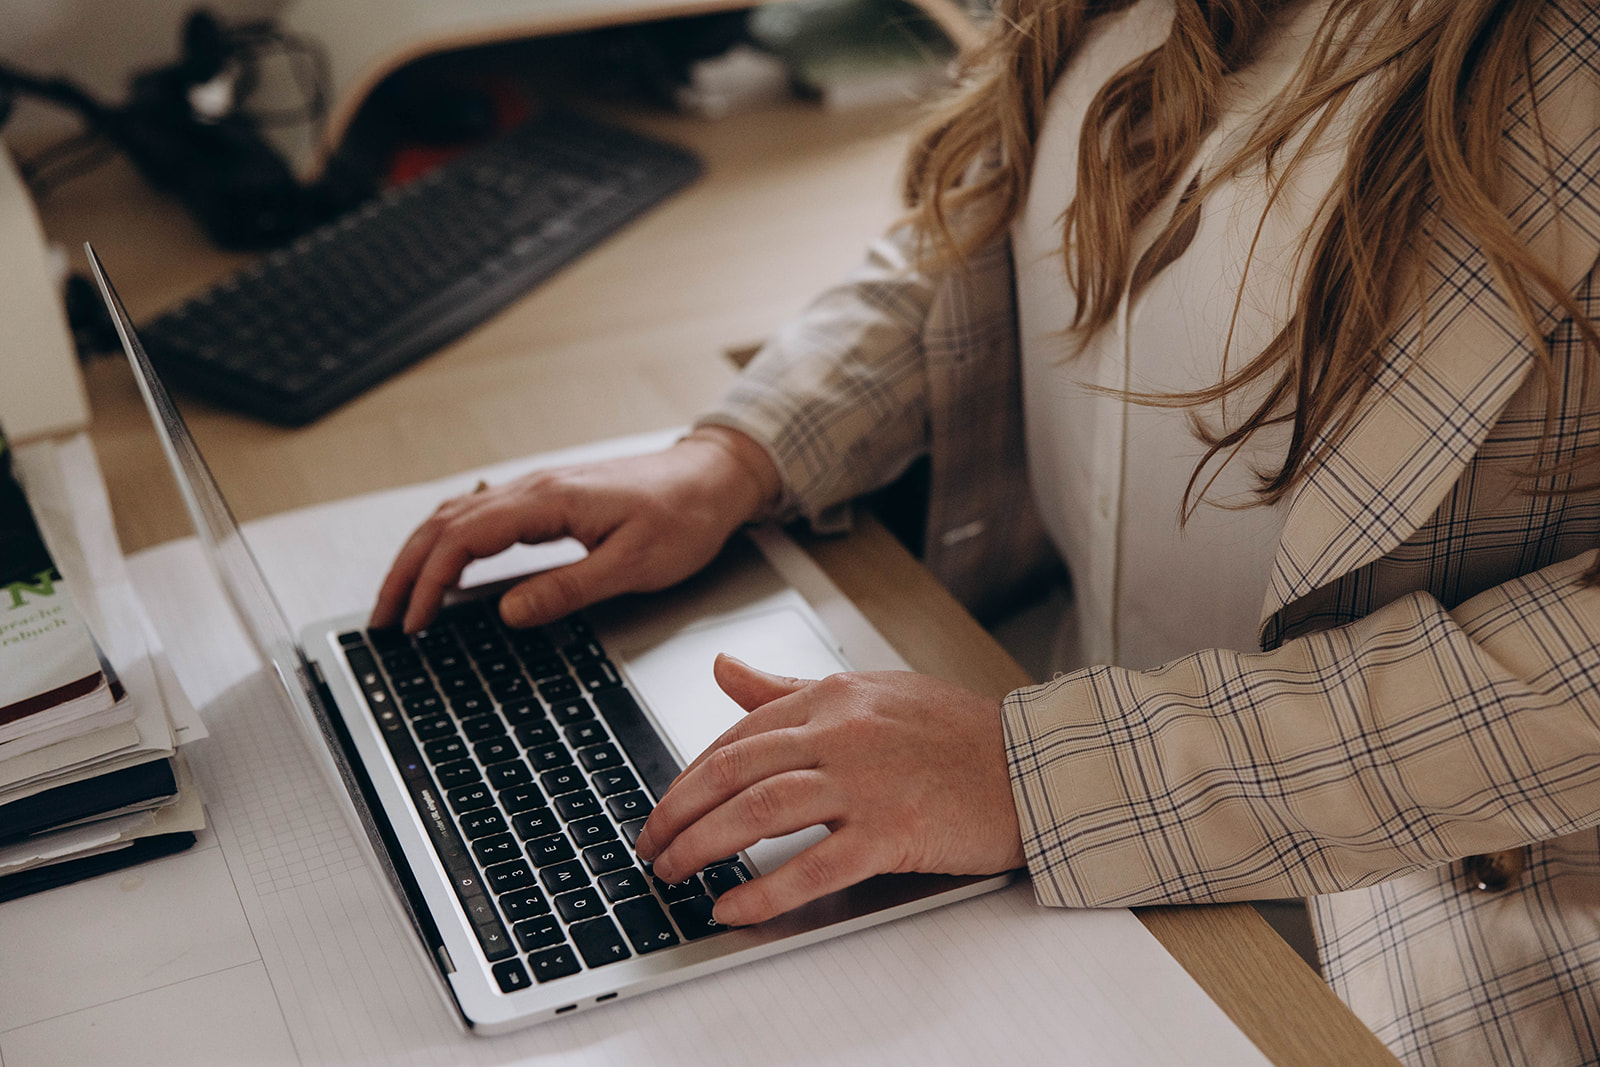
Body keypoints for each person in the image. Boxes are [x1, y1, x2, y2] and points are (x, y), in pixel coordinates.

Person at [372, 0, 1600, 1062]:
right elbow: (988, 221)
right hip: (1027, 755)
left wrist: (1040, 772)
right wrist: (739, 451)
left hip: (1401, 923)